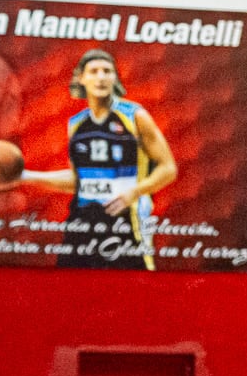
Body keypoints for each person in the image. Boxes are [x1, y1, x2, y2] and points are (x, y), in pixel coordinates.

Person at [15, 49, 177, 270]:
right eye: (93, 71)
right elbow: (77, 180)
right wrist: (27, 176)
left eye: (107, 71)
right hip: (83, 219)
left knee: (134, 286)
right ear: (81, 78)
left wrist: (135, 192)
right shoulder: (76, 124)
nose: (101, 77)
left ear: (115, 78)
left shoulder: (134, 116)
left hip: (127, 219)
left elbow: (168, 168)